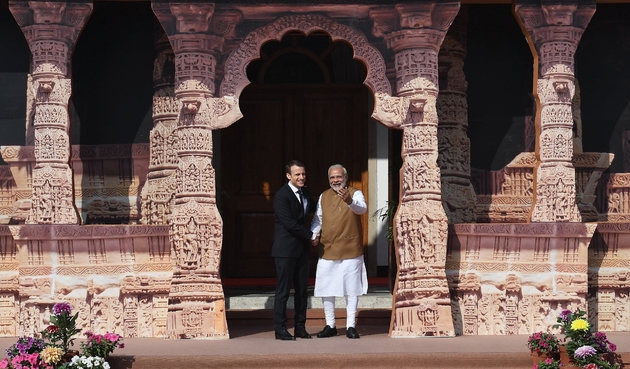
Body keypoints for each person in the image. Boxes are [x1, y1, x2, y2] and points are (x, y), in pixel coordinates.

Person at [310, 164, 368, 339]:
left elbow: (362, 209)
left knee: (352, 289)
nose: (335, 180)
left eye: (338, 177)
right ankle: (330, 324)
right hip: (328, 247)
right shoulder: (323, 196)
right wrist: (314, 234)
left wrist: (349, 200)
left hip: (350, 248)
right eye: (332, 178)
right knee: (326, 288)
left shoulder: (355, 193)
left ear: (346, 177)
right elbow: (318, 219)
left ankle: (350, 326)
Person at [271, 160, 316, 340]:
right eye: (297, 174)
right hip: (285, 250)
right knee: (283, 290)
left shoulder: (305, 192)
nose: (301, 177)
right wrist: (311, 235)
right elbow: (289, 223)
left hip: (302, 250)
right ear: (288, 176)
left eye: (303, 174)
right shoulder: (281, 196)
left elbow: (316, 207)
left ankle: (300, 327)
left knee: (302, 290)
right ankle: (280, 329)